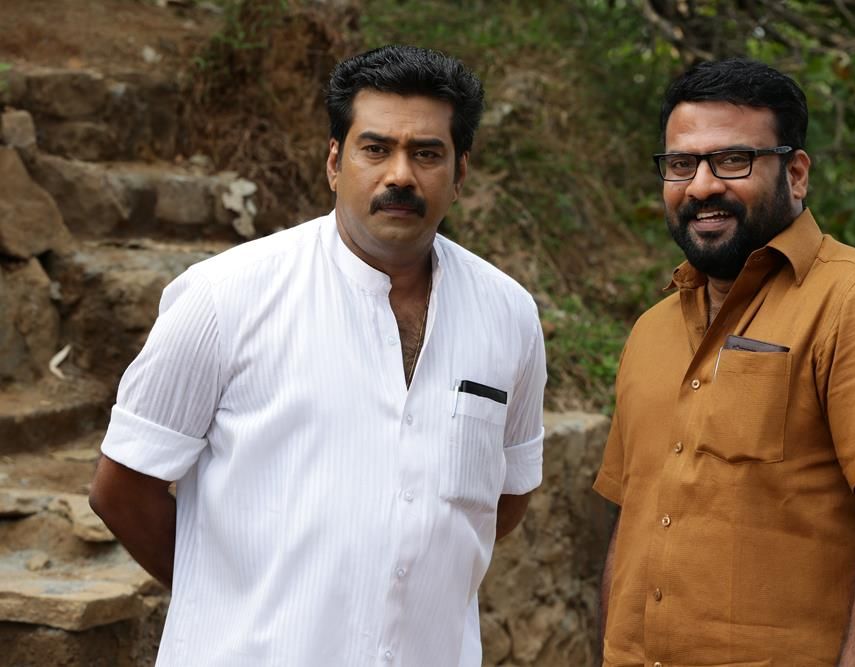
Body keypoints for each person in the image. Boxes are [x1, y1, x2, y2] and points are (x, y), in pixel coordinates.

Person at [89, 45, 546, 667]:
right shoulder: (227, 297)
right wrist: (237, 599)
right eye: (375, 148)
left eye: (427, 154)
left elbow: (506, 497)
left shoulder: (508, 313)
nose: (400, 176)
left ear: (460, 173)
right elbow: (122, 488)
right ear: (335, 162)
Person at [594, 58, 855, 667]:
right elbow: (631, 521)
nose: (701, 186)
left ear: (797, 173)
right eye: (681, 165)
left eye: (733, 160)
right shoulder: (651, 331)